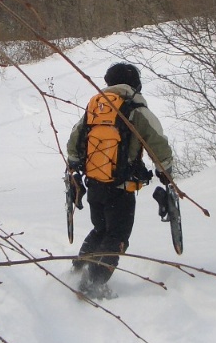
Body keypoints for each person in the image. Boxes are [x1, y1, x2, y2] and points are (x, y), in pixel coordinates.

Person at [66, 62, 173, 297]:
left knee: (100, 229)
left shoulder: (95, 108)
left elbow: (74, 141)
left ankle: (77, 269)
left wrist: (74, 168)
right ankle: (93, 283)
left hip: (93, 183)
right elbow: (158, 144)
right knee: (117, 237)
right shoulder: (135, 109)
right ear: (135, 83)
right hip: (121, 188)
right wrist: (165, 172)